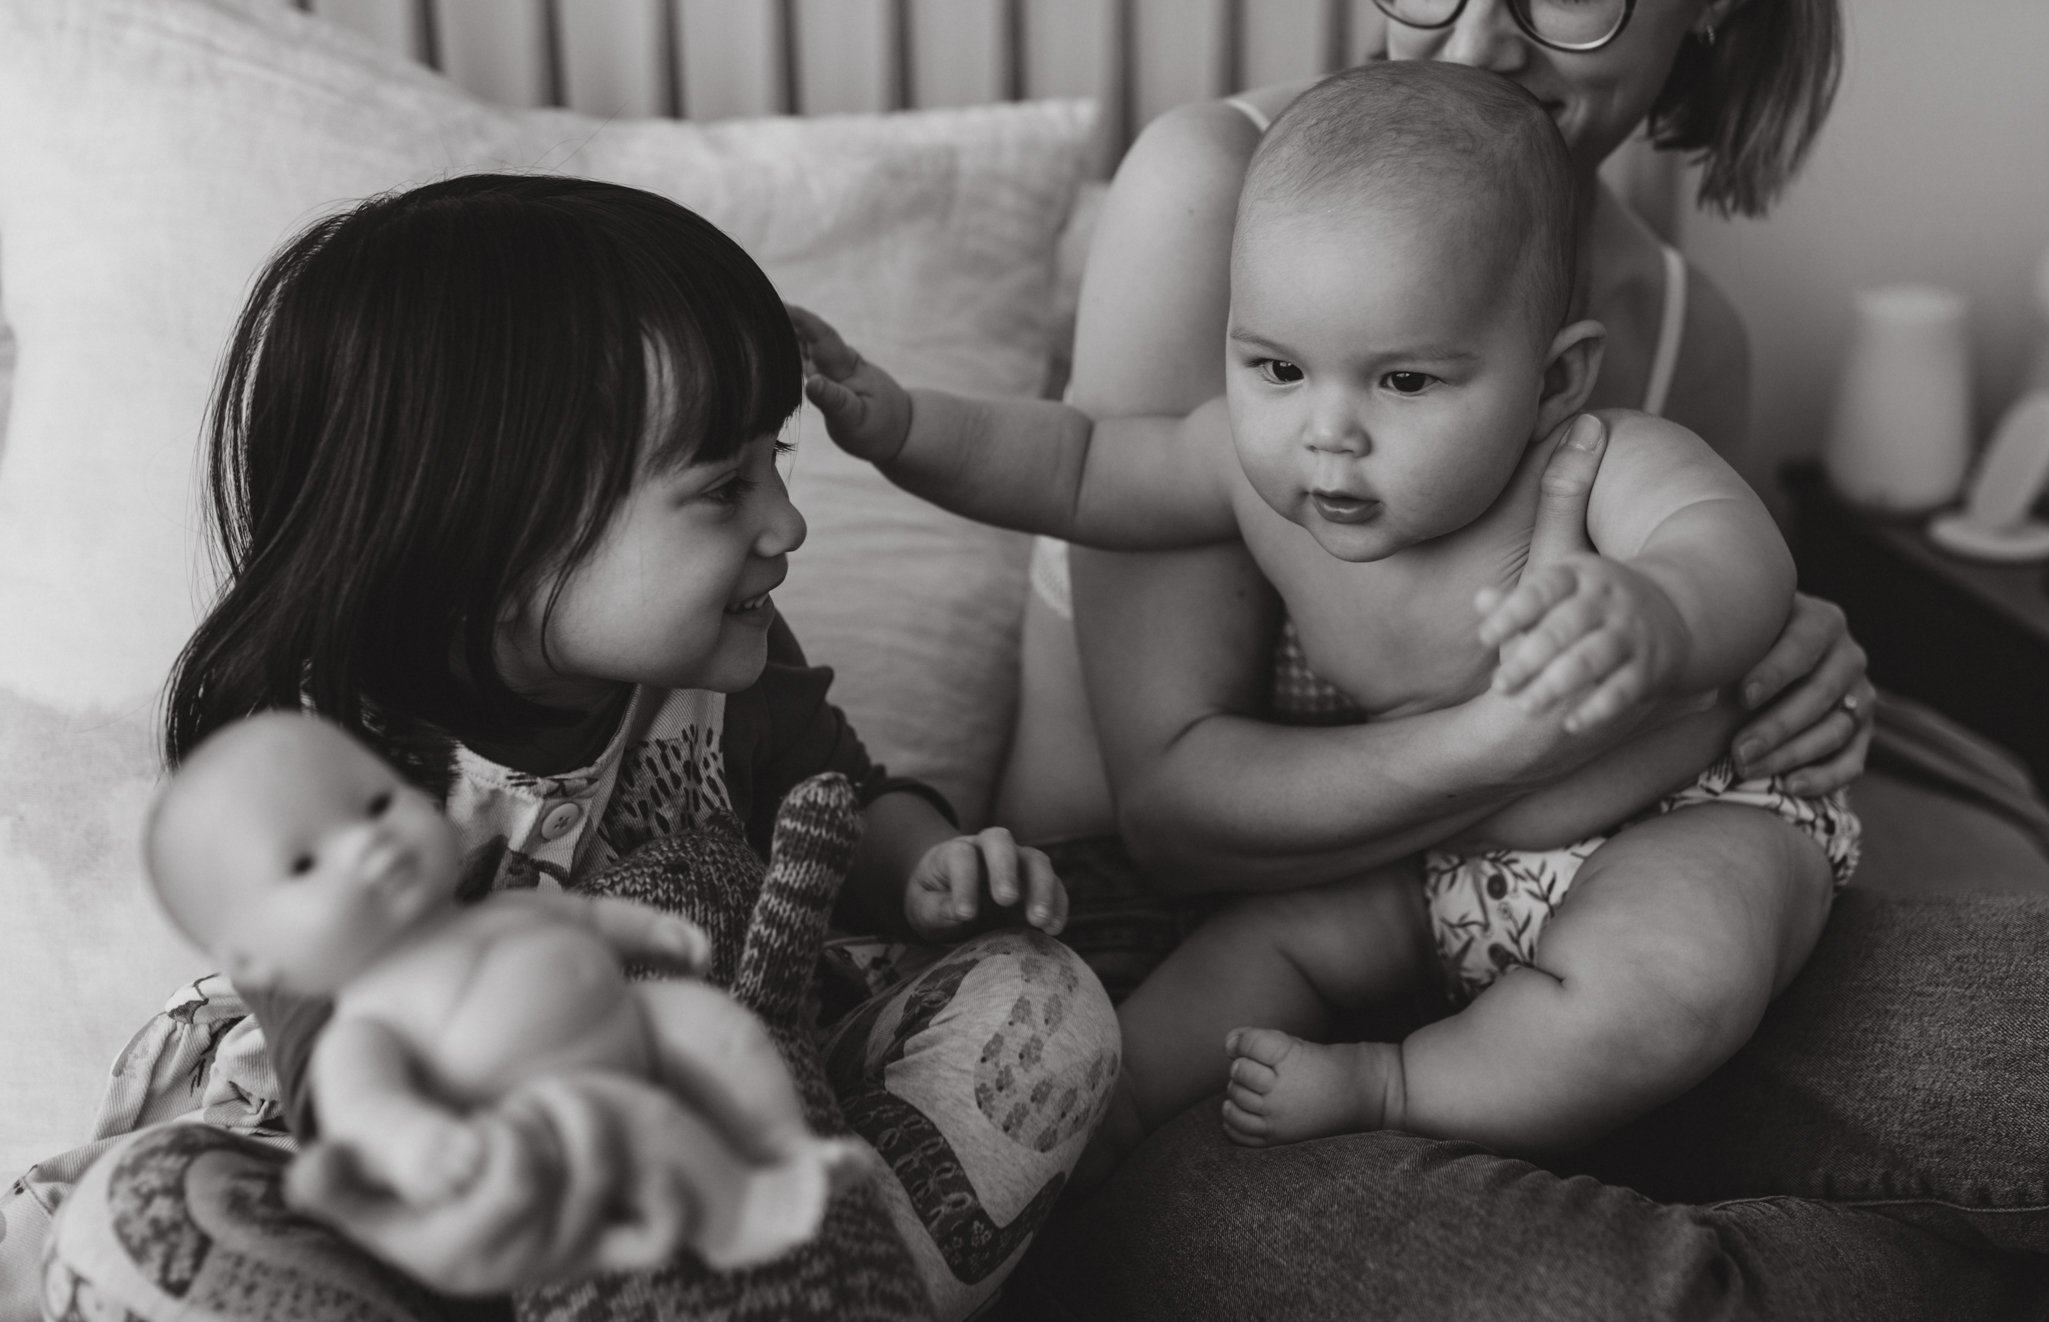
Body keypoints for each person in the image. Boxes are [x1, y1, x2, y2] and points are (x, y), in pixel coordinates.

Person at [975, 0, 2049, 1317]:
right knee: (1625, 1293)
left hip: (1563, 950)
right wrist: (1526, 735)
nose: (1479, 40)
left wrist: (1765, 643)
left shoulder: (1684, 333)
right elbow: (1176, 819)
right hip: (1213, 990)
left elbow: (1686, 597)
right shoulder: (1218, 187)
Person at [41, 174, 1117, 1322]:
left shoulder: (726, 670)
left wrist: (928, 867)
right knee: (137, 1222)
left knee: (1044, 997)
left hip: (720, 1135)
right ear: (492, 530)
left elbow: (841, 800)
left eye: (777, 460)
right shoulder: (319, 754)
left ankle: (817, 1288)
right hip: (414, 1186)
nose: (785, 522)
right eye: (724, 487)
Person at [797, 56, 1857, 1168]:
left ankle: (1399, 1087)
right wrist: (905, 428)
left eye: (1404, 382)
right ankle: (1100, 1122)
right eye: (1276, 366)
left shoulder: (1598, 460)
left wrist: (1658, 613)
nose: (1327, 433)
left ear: (1552, 384)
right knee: (1260, 952)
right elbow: (1078, 465)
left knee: (1669, 981)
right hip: (1432, 861)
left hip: (1671, 825)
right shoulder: (1252, 471)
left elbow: (1732, 548)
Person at [143, 710, 869, 1268]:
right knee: (637, 1120)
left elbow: (579, 919)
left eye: (377, 805)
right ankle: (738, 1215)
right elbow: (367, 1109)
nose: (369, 842)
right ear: (256, 960)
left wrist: (647, 932)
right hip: (542, 1112)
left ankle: (781, 1146)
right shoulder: (365, 1025)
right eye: (305, 864)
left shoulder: (491, 914)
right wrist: (417, 1142)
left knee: (719, 1028)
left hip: (634, 1021)